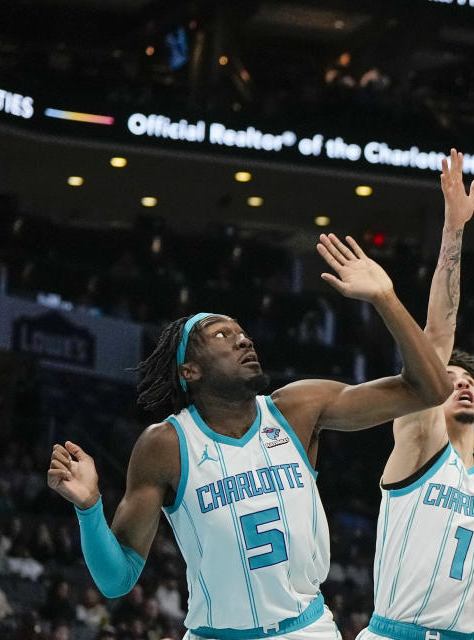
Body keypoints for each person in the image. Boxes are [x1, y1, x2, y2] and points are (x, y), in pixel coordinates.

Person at [47, 233, 451, 640]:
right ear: (190, 371)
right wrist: (89, 507)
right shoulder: (165, 445)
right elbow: (117, 581)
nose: (244, 338)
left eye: (242, 332)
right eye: (222, 335)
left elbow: (430, 390)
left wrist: (386, 299)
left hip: (305, 630)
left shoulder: (298, 409)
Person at [356, 149, 474, 640]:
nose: (461, 384)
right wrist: (454, 230)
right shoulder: (418, 439)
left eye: (470, 382)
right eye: (450, 381)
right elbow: (438, 333)